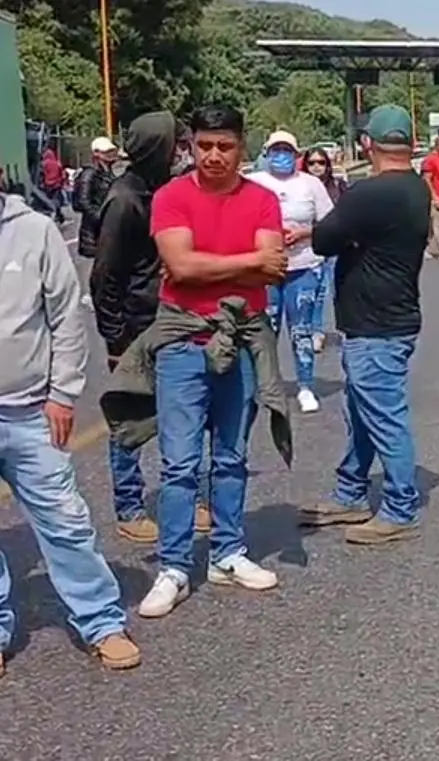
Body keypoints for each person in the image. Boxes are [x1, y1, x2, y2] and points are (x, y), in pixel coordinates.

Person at [109, 104, 290, 618]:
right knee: (181, 462)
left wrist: (241, 268)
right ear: (190, 146)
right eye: (203, 145)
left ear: (241, 146)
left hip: (244, 340)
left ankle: (228, 552)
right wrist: (248, 263)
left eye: (224, 146)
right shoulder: (170, 197)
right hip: (184, 343)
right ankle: (174, 565)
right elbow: (181, 267)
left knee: (231, 456)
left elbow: (273, 268)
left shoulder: (261, 199)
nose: (213, 156)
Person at [0, 162, 142, 677]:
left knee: (65, 523)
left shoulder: (34, 231)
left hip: (30, 410)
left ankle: (102, 622)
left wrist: (62, 396)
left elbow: (64, 318)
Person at [297, 105, 429, 547]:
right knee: (362, 414)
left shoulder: (369, 194)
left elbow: (323, 238)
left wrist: (345, 231)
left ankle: (399, 506)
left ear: (367, 144)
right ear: (410, 144)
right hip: (391, 315)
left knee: (383, 416)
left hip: (376, 323)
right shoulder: (415, 187)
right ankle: (351, 490)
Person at [89, 112, 214, 544]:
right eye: (175, 144)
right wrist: (115, 340)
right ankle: (129, 506)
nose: (182, 150)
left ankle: (193, 497)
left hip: (171, 319)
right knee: (131, 418)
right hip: (136, 327)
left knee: (185, 412)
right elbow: (105, 277)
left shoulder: (165, 189)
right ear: (157, 148)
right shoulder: (125, 199)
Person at [247, 130, 335, 415]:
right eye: (275, 151)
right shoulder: (253, 183)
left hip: (303, 267)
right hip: (265, 271)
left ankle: (306, 386)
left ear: (296, 155)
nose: (281, 156)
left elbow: (330, 224)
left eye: (287, 151)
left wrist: (304, 233)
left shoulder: (311, 185)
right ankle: (265, 385)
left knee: (301, 331)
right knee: (264, 330)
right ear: (266, 154)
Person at [304, 146, 347, 352]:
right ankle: (316, 332)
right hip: (310, 248)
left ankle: (346, 328)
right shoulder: (301, 188)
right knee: (316, 294)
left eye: (321, 162)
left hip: (335, 247)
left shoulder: (338, 185)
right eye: (312, 163)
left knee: (339, 290)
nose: (316, 167)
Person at [72, 136, 119, 260]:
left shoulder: (107, 173)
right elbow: (83, 202)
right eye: (106, 151)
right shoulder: (90, 174)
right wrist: (101, 217)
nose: (110, 154)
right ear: (96, 154)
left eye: (111, 151)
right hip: (94, 234)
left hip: (104, 232)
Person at [39, 146, 65, 222]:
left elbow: (41, 174)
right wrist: (61, 183)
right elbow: (63, 175)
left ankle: (51, 214)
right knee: (57, 200)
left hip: (47, 185)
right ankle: (58, 215)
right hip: (57, 185)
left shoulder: (44, 164)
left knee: (47, 200)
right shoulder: (58, 163)